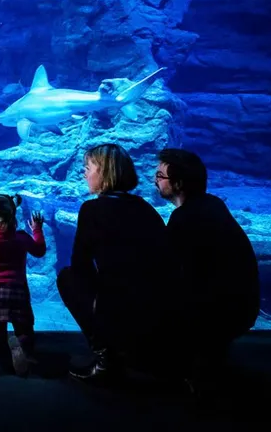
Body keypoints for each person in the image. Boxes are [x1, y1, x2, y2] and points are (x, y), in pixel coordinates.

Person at [56, 143, 176, 383]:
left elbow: (80, 264)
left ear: (104, 173)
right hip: (158, 302)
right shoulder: (145, 208)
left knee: (68, 278)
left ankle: (105, 357)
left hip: (118, 299)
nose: (84, 174)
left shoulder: (91, 209)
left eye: (88, 168)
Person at [156, 148, 260, 388]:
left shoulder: (185, 218)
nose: (155, 181)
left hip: (218, 314)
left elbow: (167, 270)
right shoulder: (212, 205)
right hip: (242, 308)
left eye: (160, 176)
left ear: (179, 183)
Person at [0, 193, 47, 376]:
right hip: (18, 290)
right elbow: (40, 250)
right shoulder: (21, 238)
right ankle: (24, 351)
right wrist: (37, 230)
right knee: (24, 329)